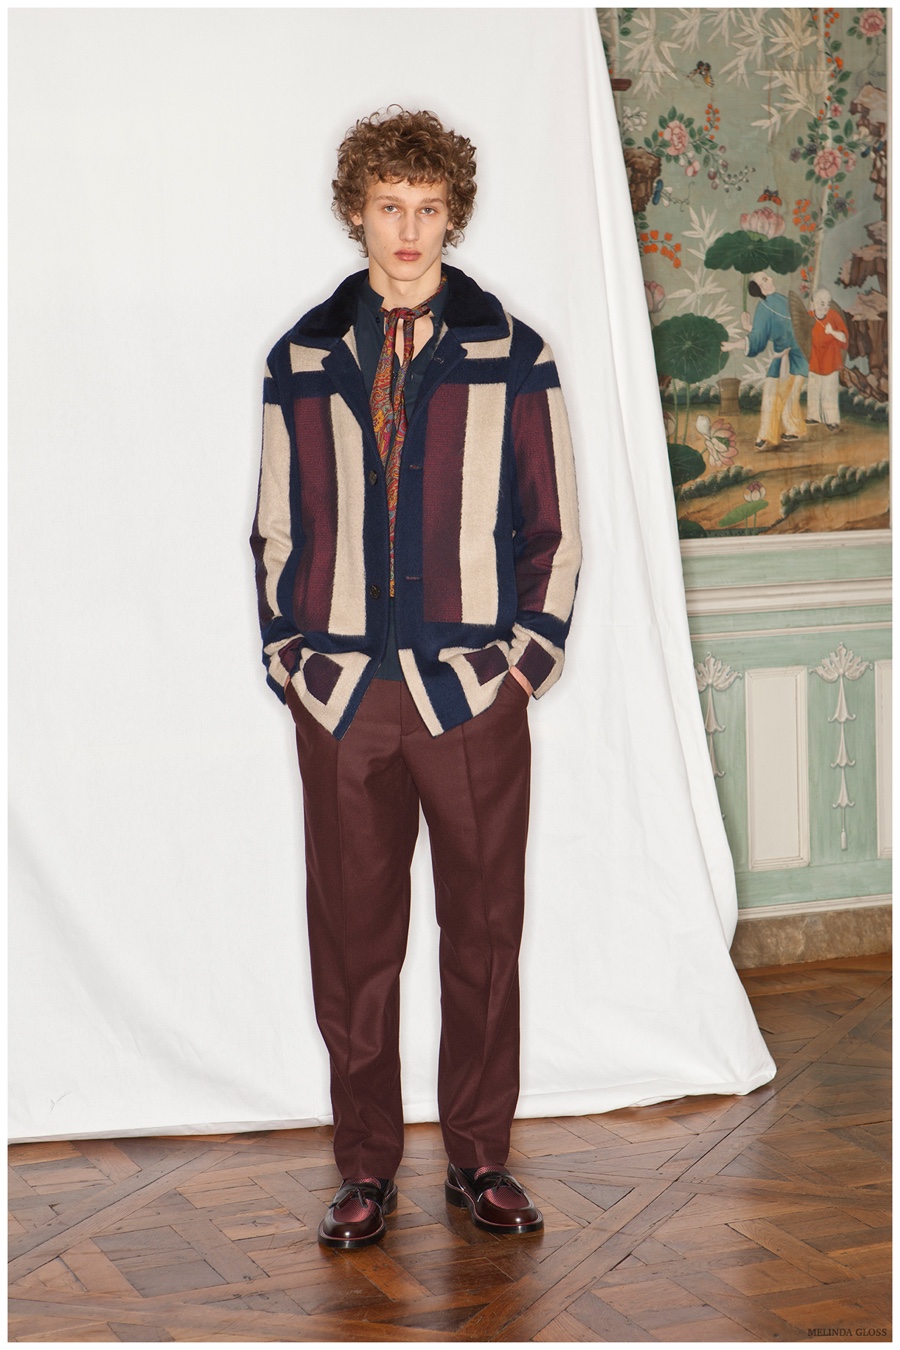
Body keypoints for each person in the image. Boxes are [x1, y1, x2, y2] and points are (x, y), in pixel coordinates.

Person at [250, 107, 581, 1250]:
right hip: (343, 698)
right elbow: (276, 527)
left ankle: (481, 1159)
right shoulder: (300, 357)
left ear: (453, 216)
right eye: (389, 206)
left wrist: (521, 663)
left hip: (469, 697)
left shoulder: (512, 351)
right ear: (357, 212)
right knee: (354, 942)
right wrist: (293, 659)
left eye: (428, 208)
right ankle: (365, 1168)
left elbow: (552, 529)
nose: (408, 228)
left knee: (484, 934)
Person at [721, 270, 808, 449]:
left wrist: (733, 345)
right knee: (788, 395)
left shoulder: (766, 306)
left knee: (772, 395)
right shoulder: (780, 302)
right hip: (800, 356)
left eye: (767, 277)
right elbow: (774, 331)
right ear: (761, 288)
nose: (771, 279)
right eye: (766, 279)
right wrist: (751, 328)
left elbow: (758, 338)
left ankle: (767, 434)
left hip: (789, 357)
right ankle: (793, 429)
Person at [806, 287, 848, 430]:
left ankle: (832, 421)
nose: (825, 307)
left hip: (830, 361)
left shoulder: (834, 316)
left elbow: (844, 338)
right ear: (814, 302)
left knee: (829, 392)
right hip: (815, 361)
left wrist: (832, 332)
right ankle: (813, 416)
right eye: (822, 303)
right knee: (813, 390)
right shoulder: (809, 317)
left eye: (828, 304)